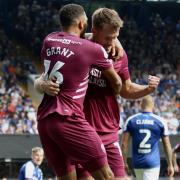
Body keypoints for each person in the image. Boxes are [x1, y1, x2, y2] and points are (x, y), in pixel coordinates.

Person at [35, 7, 160, 180]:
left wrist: (147, 89)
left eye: (116, 37)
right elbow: (46, 76)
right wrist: (40, 83)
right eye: (108, 37)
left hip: (107, 130)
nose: (112, 41)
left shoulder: (119, 55)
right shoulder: (83, 47)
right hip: (79, 127)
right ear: (92, 30)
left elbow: (126, 88)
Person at [36, 4, 123, 180]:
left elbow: (43, 77)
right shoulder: (92, 49)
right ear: (83, 24)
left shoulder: (49, 39)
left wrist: (40, 83)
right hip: (69, 118)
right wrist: (115, 91)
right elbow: (117, 82)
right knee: (107, 176)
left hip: (45, 120)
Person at [121, 95, 174, 180]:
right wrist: (170, 164)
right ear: (153, 105)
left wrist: (124, 163)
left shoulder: (131, 120)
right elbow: (167, 145)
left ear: (141, 105)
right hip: (152, 163)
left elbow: (124, 144)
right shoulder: (160, 121)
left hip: (137, 163)